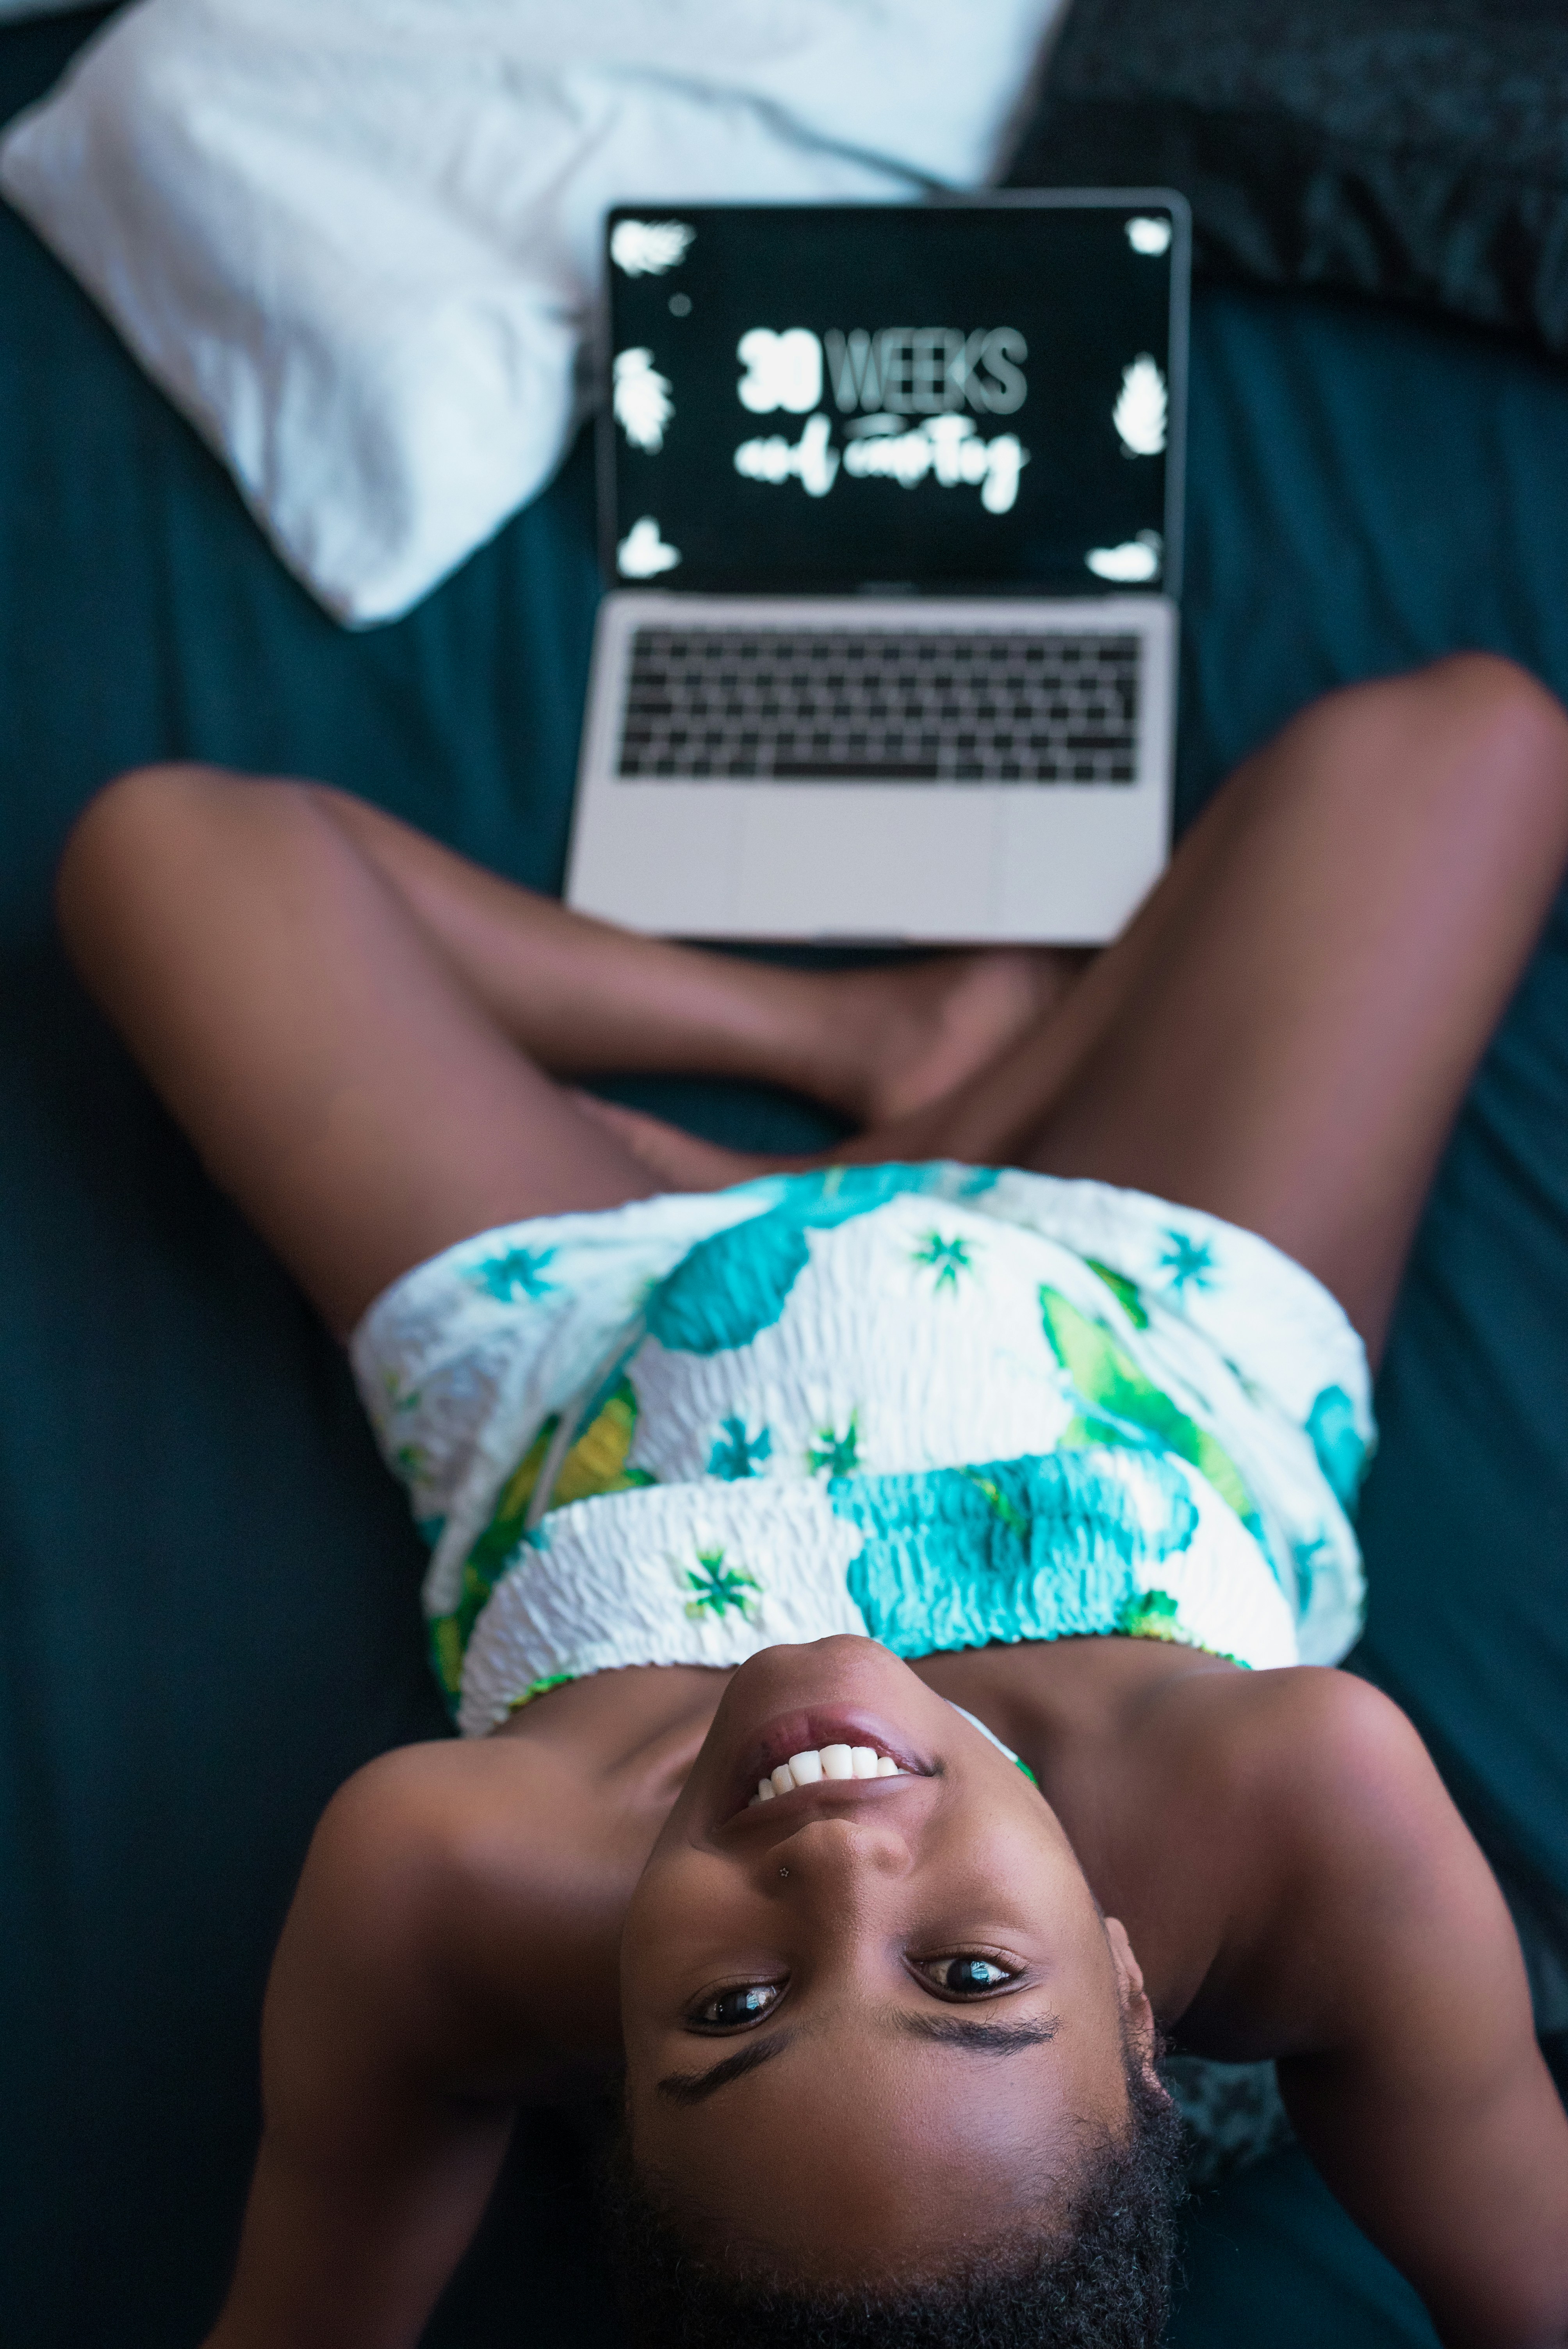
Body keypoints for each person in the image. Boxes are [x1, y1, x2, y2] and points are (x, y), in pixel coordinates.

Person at [55, 653, 1568, 2349]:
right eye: (970, 1977)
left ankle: (842, 1055)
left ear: (617, 2066)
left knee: (159, 847)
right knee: (1477, 738)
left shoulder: (446, 1881)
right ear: (1134, 1998)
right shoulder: (1302, 1807)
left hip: (611, 1342)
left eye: (738, 2002)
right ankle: (946, 1098)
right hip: (1132, 1319)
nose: (840, 1868)